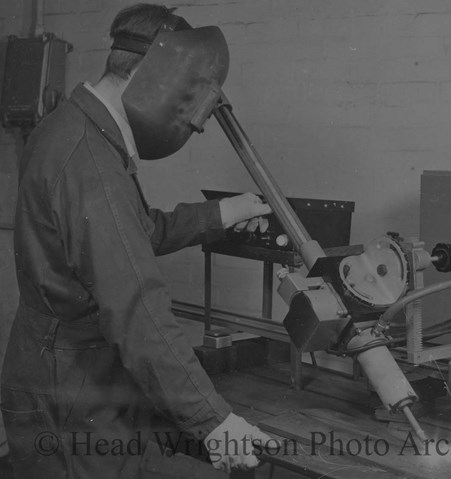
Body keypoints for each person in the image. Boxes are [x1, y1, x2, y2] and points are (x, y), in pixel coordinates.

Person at [1, 4, 273, 478]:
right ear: (153, 75)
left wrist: (221, 213)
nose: (192, 122)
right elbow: (136, 309)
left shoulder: (72, 127)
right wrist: (214, 422)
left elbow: (131, 235)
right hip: (70, 390)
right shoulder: (92, 164)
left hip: (66, 369)